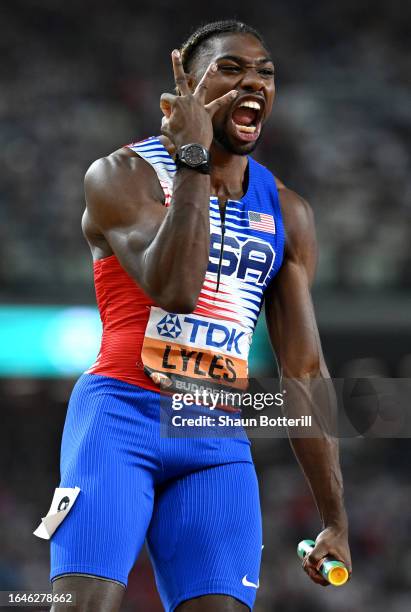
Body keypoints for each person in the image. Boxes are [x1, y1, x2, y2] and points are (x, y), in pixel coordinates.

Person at [47, 20, 351, 612]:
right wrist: (192, 160)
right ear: (184, 84)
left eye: (265, 73)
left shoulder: (287, 212)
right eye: (231, 69)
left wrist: (333, 515)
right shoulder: (122, 175)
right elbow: (176, 289)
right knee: (80, 606)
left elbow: (305, 372)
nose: (253, 83)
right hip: (118, 418)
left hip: (214, 435)